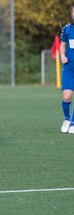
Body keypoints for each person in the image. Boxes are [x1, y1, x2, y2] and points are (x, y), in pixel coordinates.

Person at [60, 4, 74, 133]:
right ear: (72, 14)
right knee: (66, 97)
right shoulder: (67, 29)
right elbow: (62, 45)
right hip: (69, 69)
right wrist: (62, 56)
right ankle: (67, 118)